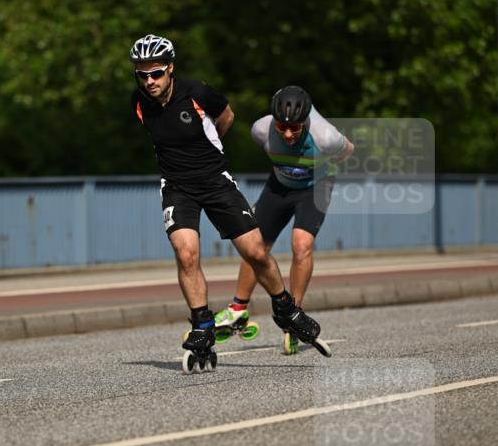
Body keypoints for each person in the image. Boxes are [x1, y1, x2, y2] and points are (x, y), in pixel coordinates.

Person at [129, 34, 326, 363]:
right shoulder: (137, 102)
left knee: (256, 253)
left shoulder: (196, 92)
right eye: (142, 74)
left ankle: (286, 310)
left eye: (156, 72)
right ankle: (202, 325)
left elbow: (228, 116)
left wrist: (209, 147)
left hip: (215, 182)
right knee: (186, 253)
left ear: (171, 69)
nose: (150, 81)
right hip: (177, 186)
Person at [215, 85, 354, 354]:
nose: (288, 134)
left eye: (295, 128)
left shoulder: (325, 136)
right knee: (254, 246)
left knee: (301, 245)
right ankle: (238, 309)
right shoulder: (261, 129)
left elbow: (348, 149)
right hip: (279, 186)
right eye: (282, 127)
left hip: (316, 185)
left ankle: (293, 317)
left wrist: (323, 164)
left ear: (306, 122)